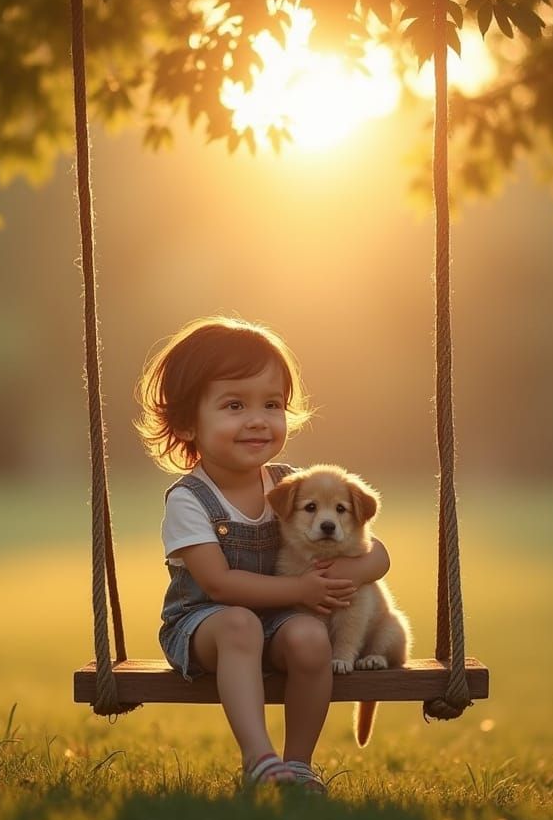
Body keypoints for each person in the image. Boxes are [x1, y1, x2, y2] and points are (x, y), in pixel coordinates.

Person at [136, 316, 391, 792]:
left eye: (271, 404)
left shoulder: (290, 484)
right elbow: (219, 584)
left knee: (311, 637)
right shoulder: (190, 500)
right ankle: (259, 759)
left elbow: (376, 556)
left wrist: (351, 572)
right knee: (239, 623)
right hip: (204, 627)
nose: (257, 419)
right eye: (235, 405)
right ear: (188, 423)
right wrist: (301, 589)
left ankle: (298, 765)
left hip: (276, 622)